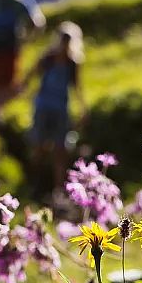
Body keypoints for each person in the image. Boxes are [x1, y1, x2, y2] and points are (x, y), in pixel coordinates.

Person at [24, 22, 87, 203]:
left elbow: (77, 87)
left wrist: (83, 108)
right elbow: (31, 76)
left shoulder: (73, 63)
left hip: (61, 109)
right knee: (40, 146)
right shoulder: (47, 59)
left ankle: (59, 191)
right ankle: (35, 183)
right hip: (43, 107)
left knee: (61, 149)